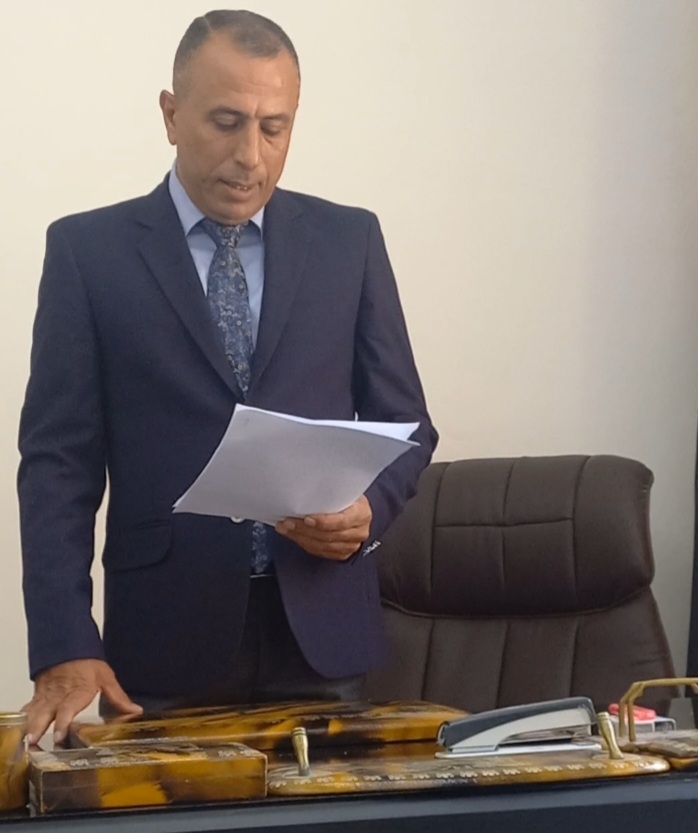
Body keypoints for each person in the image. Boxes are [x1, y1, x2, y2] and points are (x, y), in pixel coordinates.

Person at [18, 9, 437, 745]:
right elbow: (58, 464)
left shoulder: (349, 241)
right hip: (164, 639)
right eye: (226, 122)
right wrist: (63, 639)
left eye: (274, 128)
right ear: (171, 114)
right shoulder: (89, 253)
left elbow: (406, 425)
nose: (251, 155)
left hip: (323, 630)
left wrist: (369, 508)